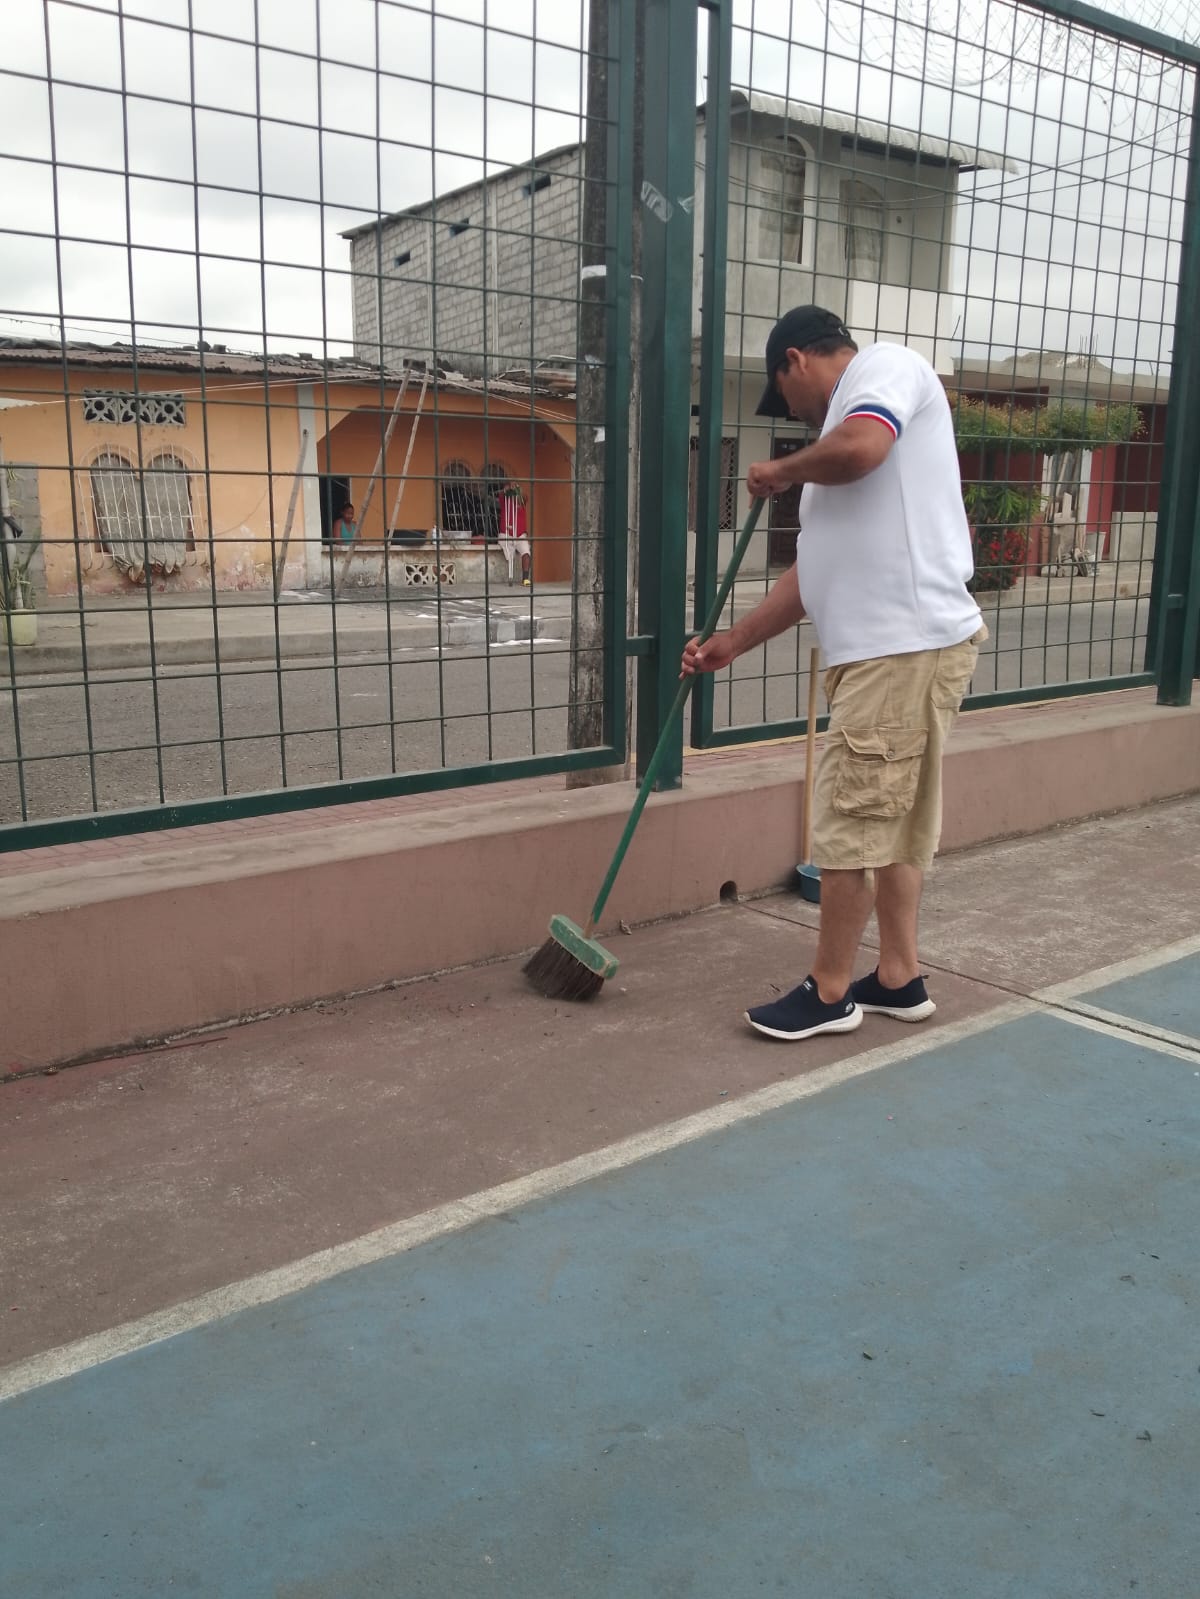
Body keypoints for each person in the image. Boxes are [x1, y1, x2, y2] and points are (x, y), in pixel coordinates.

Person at [681, 305, 986, 1042]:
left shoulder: (884, 370)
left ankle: (829, 991)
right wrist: (732, 642)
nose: (790, 412)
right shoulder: (834, 454)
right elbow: (810, 575)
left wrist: (779, 470)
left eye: (782, 395)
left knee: (850, 822)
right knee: (893, 823)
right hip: (900, 652)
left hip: (898, 651)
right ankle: (898, 977)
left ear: (795, 360)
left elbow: (863, 448)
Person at [498, 483, 532, 585]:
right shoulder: (505, 501)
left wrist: (518, 489)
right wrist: (506, 490)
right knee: (510, 554)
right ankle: (510, 577)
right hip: (506, 534)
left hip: (520, 534)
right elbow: (501, 495)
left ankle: (525, 579)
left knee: (526, 552)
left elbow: (525, 497)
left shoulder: (522, 502)